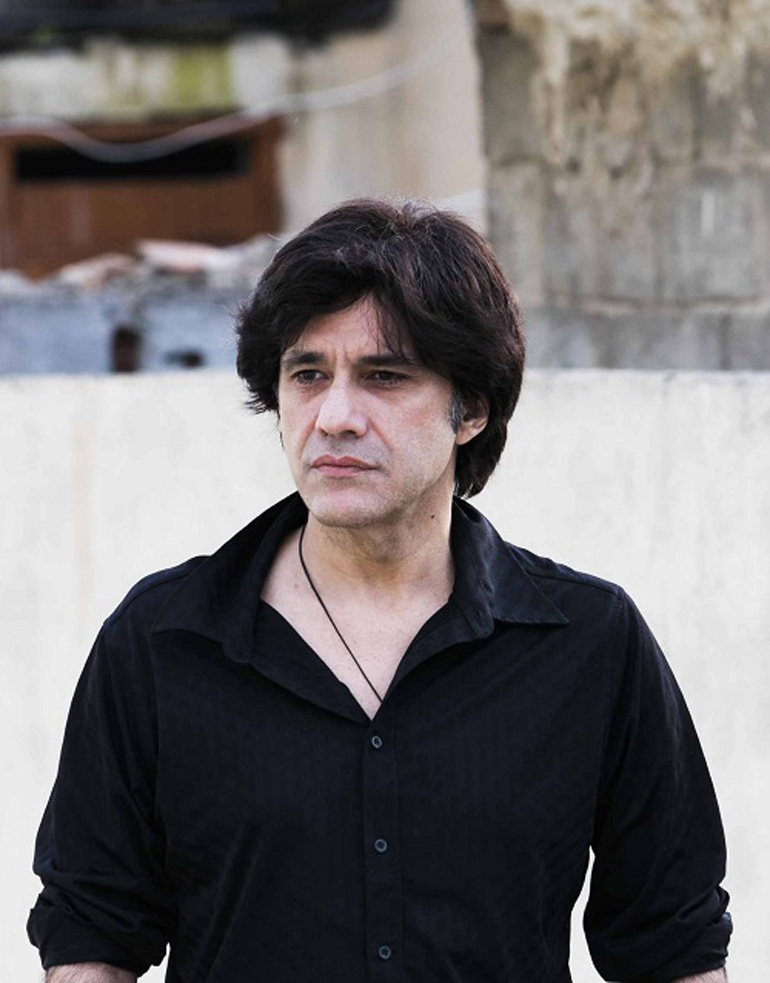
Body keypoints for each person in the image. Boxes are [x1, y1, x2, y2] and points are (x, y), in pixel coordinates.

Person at [28, 198, 731, 983]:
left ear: (472, 410)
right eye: (308, 374)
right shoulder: (163, 640)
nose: (334, 416)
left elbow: (674, 944)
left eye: (384, 376)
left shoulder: (590, 642)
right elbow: (91, 933)